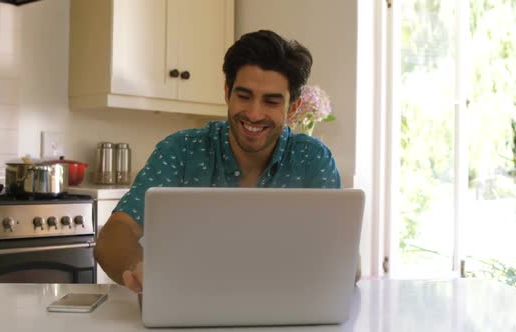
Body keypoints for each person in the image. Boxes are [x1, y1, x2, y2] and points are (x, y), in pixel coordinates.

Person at [94, 30, 355, 293]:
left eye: (271, 101)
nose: (254, 114)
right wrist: (136, 264)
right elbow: (115, 235)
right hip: (188, 305)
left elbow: (347, 259)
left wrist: (344, 264)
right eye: (244, 96)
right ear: (227, 92)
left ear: (293, 107)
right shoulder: (180, 151)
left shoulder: (312, 159)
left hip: (287, 305)